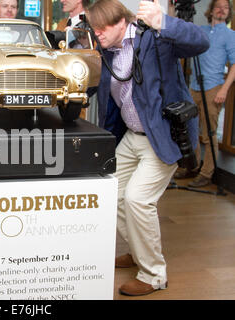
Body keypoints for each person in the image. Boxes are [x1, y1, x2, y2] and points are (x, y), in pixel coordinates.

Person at [86, 0, 209, 296]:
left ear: (120, 23)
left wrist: (164, 21)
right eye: (94, 28)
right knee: (112, 192)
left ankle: (154, 274)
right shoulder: (107, 51)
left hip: (161, 136)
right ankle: (138, 250)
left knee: (138, 199)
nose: (98, 33)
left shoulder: (155, 38)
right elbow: (96, 87)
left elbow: (201, 42)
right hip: (132, 136)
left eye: (103, 27)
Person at [174, 0, 235, 188]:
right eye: (218, 6)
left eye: (226, 7)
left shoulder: (230, 35)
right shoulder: (201, 30)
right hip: (194, 87)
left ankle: (206, 173)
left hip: (213, 88)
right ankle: (191, 167)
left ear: (229, 12)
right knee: (191, 129)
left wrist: (224, 89)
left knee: (209, 134)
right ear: (211, 10)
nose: (222, 10)